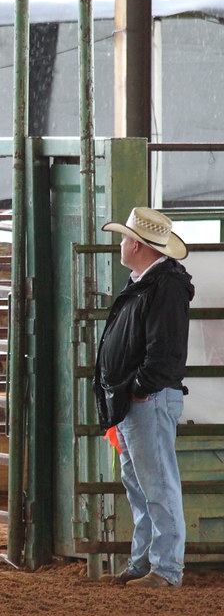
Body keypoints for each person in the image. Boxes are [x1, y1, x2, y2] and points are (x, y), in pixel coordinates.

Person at [94, 207, 193, 589]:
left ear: (136, 244)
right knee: (142, 484)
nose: (120, 243)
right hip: (137, 401)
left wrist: (137, 388)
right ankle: (145, 562)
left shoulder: (161, 285)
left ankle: (165, 569)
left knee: (156, 485)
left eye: (123, 238)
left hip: (144, 400)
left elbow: (163, 350)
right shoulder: (151, 282)